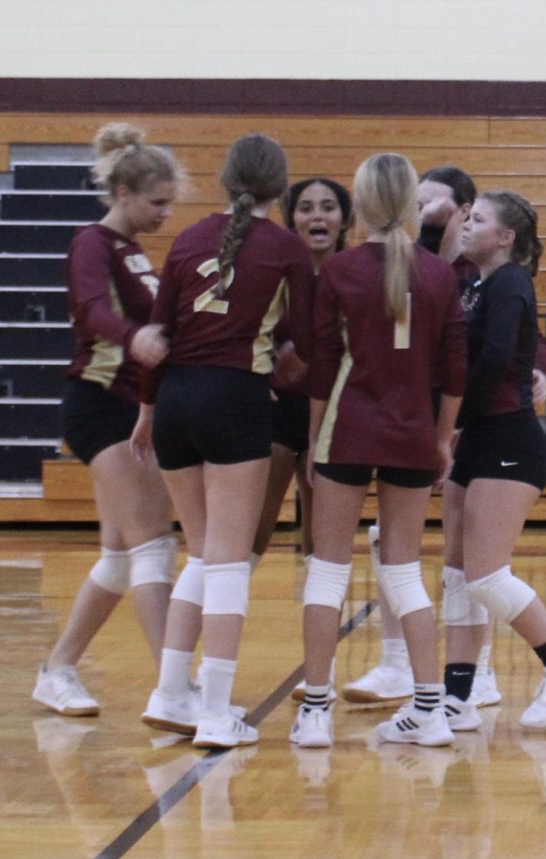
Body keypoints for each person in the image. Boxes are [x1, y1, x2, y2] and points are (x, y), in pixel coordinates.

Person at [131, 133, 315, 748]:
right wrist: (286, 356)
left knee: (205, 554)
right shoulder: (287, 249)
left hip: (176, 399)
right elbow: (305, 335)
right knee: (229, 563)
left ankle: (169, 692)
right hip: (235, 398)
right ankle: (214, 712)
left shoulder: (185, 239)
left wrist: (147, 410)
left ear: (224, 181)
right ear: (280, 189)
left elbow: (159, 330)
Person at [342, 166, 546, 709]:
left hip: (467, 427)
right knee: (417, 551)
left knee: (472, 567)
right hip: (427, 423)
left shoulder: (488, 276)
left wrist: (535, 368)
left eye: (446, 207)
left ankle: (497, 673)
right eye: (420, 203)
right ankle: (416, 672)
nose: (430, 213)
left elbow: (512, 339)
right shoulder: (431, 265)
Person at [290, 152, 466, 748]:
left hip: (349, 427)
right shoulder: (442, 275)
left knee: (327, 571)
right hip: (414, 432)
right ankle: (431, 711)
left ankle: (315, 712)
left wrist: (315, 439)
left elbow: (323, 368)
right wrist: (442, 438)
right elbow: (454, 371)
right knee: (406, 573)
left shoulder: (339, 271)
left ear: (359, 206)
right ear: (412, 205)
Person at [32, 123, 180, 716]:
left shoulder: (133, 249)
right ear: (123, 192)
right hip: (97, 405)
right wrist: (134, 335)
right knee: (154, 549)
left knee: (120, 559)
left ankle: (58, 670)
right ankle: (175, 690)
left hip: (130, 408)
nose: (164, 214)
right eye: (156, 202)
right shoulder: (91, 243)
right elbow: (93, 310)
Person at [443, 190, 546, 730]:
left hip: (508, 440)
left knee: (485, 576)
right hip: (478, 440)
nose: (468, 224)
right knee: (459, 576)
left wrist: (453, 422)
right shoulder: (475, 284)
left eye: (478, 219)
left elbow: (492, 360)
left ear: (505, 237)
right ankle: (456, 698)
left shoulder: (510, 282)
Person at [251, 177, 354, 568]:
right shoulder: (272, 272)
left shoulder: (354, 274)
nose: (317, 215)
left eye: (327, 207)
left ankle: (321, 626)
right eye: (306, 207)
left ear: (344, 220)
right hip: (275, 413)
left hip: (332, 416)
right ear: (291, 218)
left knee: (322, 549)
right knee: (250, 537)